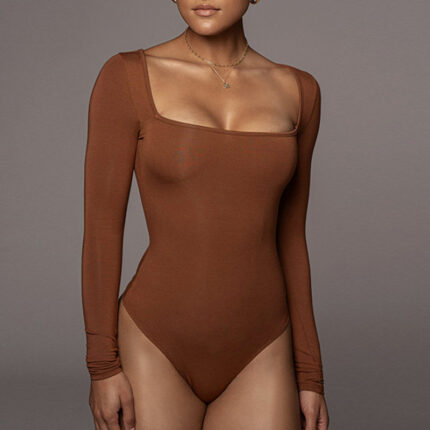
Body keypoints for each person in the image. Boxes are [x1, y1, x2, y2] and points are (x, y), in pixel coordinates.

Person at [81, 1, 329, 429]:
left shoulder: (300, 90)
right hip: (156, 343)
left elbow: (291, 238)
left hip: (263, 349)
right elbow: (102, 230)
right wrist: (102, 365)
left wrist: (310, 375)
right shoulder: (126, 76)